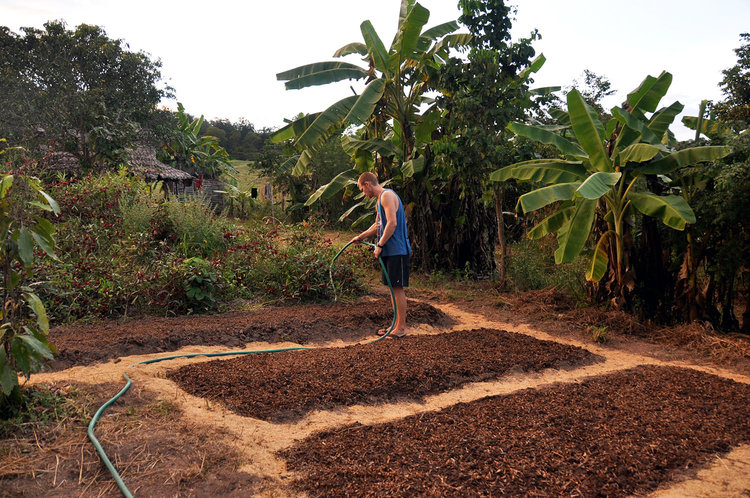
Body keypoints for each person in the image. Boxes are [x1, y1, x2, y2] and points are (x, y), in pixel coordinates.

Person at [350, 172, 411, 338]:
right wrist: (361, 236)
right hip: (390, 251)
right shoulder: (379, 201)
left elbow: (392, 223)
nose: (364, 193)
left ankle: (402, 328)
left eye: (363, 189)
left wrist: (380, 244)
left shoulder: (387, 196)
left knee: (397, 289)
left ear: (368, 184)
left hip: (397, 250)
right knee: (393, 289)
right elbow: (378, 224)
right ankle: (396, 326)